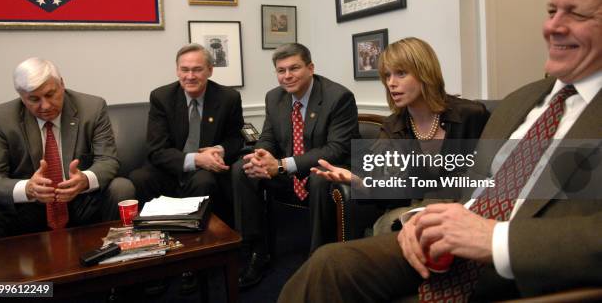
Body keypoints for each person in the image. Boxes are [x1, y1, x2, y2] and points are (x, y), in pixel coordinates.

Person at [279, 0, 602, 302]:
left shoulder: (472, 114)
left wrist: (491, 238)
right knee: (328, 263)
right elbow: (452, 187)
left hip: (523, 260)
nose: (552, 26)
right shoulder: (517, 102)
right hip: (440, 226)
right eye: (552, 11)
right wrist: (409, 208)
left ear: (425, 73)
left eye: (578, 13)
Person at [312, 37, 489, 235]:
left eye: (401, 74)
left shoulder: (471, 115)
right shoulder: (391, 127)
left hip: (467, 206)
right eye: (387, 76)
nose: (391, 83)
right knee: (388, 227)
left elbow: (489, 175)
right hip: (414, 209)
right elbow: (393, 190)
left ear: (425, 73)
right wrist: (360, 183)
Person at [232, 43, 359, 288]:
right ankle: (257, 251)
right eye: (281, 70)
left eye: (294, 68)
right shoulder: (274, 97)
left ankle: (318, 259)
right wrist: (261, 155)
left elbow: (336, 150)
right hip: (288, 174)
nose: (287, 76)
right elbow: (268, 137)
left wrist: (281, 165)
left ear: (310, 68)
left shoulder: (338, 97)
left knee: (320, 176)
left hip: (325, 172)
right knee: (243, 168)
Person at [0, 57, 135, 238]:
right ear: (21, 97)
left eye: (50, 94)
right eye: (34, 99)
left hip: (81, 202)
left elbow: (108, 160)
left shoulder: (92, 108)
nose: (45, 105)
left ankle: (115, 255)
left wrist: (85, 180)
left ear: (62, 84)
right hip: (27, 209)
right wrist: (27, 188)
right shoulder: (1, 118)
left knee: (121, 187)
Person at [129, 44, 244, 221]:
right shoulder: (162, 97)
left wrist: (220, 150)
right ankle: (154, 232)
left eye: (197, 70)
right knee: (140, 177)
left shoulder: (228, 98)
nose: (190, 76)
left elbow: (235, 138)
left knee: (204, 181)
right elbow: (156, 149)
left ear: (210, 71)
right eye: (184, 70)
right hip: (170, 167)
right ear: (177, 71)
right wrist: (197, 159)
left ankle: (199, 238)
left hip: (206, 172)